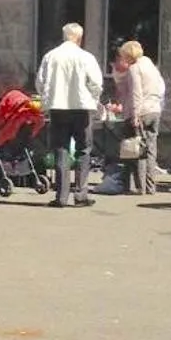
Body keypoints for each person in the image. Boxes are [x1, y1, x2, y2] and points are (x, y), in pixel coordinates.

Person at [36, 22, 103, 207]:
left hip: (58, 107)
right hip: (81, 107)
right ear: (80, 38)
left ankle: (61, 196)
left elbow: (40, 82)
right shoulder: (86, 57)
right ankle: (81, 194)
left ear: (63, 36)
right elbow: (96, 82)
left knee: (61, 149)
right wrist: (93, 99)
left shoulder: (50, 56)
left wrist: (46, 99)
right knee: (84, 150)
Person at [110, 39, 166, 194]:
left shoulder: (135, 68)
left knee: (137, 150)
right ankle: (151, 186)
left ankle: (140, 186)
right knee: (151, 149)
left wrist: (135, 115)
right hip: (155, 109)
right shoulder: (151, 66)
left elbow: (136, 93)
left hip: (142, 111)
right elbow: (161, 87)